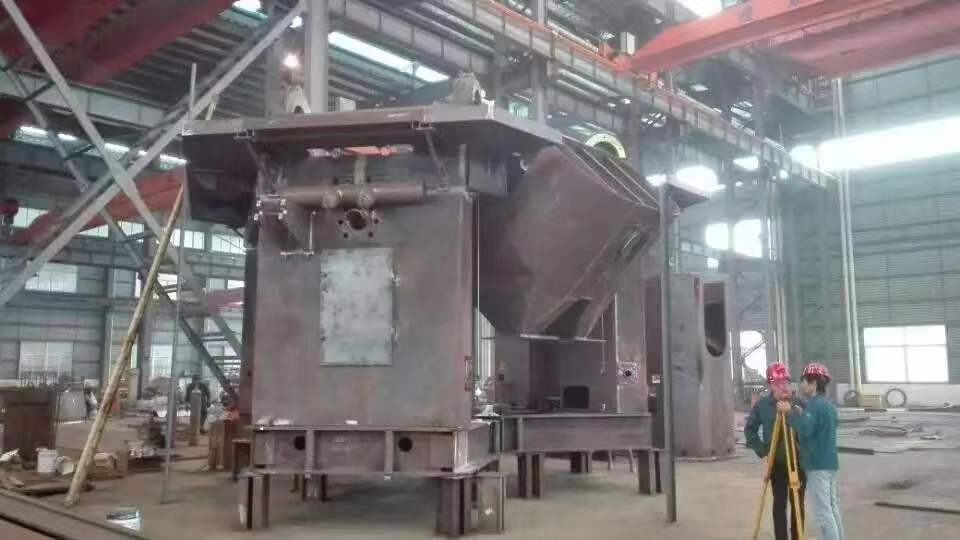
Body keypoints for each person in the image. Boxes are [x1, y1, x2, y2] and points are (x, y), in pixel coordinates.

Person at [777, 363, 844, 540]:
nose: (801, 386)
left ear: (813, 384)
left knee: (823, 513)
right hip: (829, 463)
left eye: (804, 382)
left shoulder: (814, 406)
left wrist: (789, 413)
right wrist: (802, 413)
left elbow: (806, 429)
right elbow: (817, 427)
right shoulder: (828, 405)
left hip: (817, 465)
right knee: (831, 508)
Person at [745, 363, 806, 540]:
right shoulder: (762, 406)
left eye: (786, 382)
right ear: (770, 385)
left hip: (799, 463)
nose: (783, 386)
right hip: (776, 465)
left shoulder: (799, 404)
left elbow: (810, 430)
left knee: (798, 504)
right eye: (778, 383)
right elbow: (750, 429)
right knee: (779, 504)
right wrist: (762, 450)